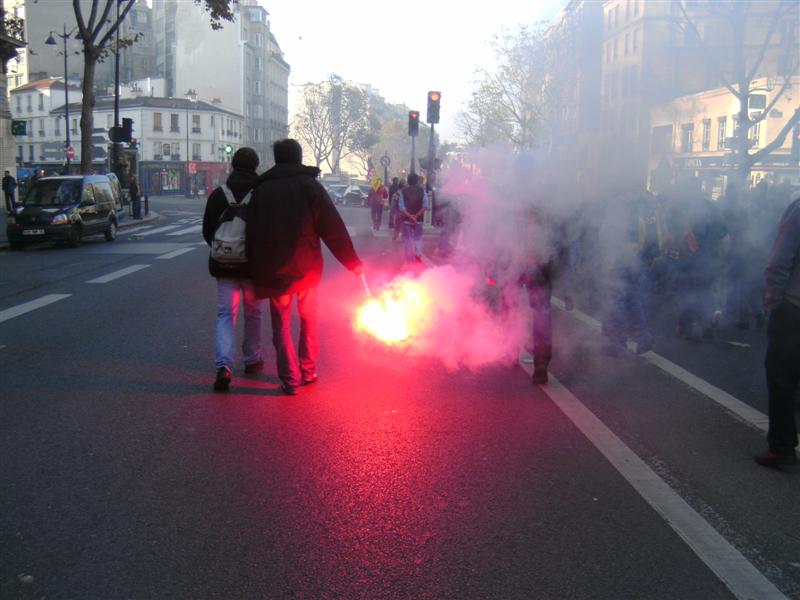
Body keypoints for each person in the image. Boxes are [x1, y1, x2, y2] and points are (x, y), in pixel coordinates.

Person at [246, 139, 363, 395]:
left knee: (281, 324)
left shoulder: (262, 190)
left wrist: (253, 268)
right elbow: (332, 228)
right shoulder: (310, 186)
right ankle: (308, 369)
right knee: (309, 318)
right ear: (299, 158)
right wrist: (352, 262)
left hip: (275, 268)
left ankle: (289, 378)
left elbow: (251, 231)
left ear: (276, 159)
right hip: (306, 266)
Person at [202, 147, 264, 392]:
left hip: (224, 265)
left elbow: (207, 230)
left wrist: (224, 249)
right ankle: (252, 359)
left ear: (233, 165)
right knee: (253, 313)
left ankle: (224, 366)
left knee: (226, 314)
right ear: (255, 166)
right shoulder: (260, 193)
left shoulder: (219, 194)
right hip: (251, 265)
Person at [755, 194, 800, 467]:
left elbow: (780, 260)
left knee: (782, 377)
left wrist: (773, 301)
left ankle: (782, 448)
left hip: (794, 307)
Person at [398, 172, 430, 263]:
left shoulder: (403, 191)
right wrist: (416, 216)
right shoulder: (422, 191)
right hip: (419, 219)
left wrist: (410, 216)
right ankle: (418, 255)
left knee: (407, 239)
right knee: (418, 238)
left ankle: (409, 258)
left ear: (408, 180)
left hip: (406, 220)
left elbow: (401, 207)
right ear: (417, 181)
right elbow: (425, 205)